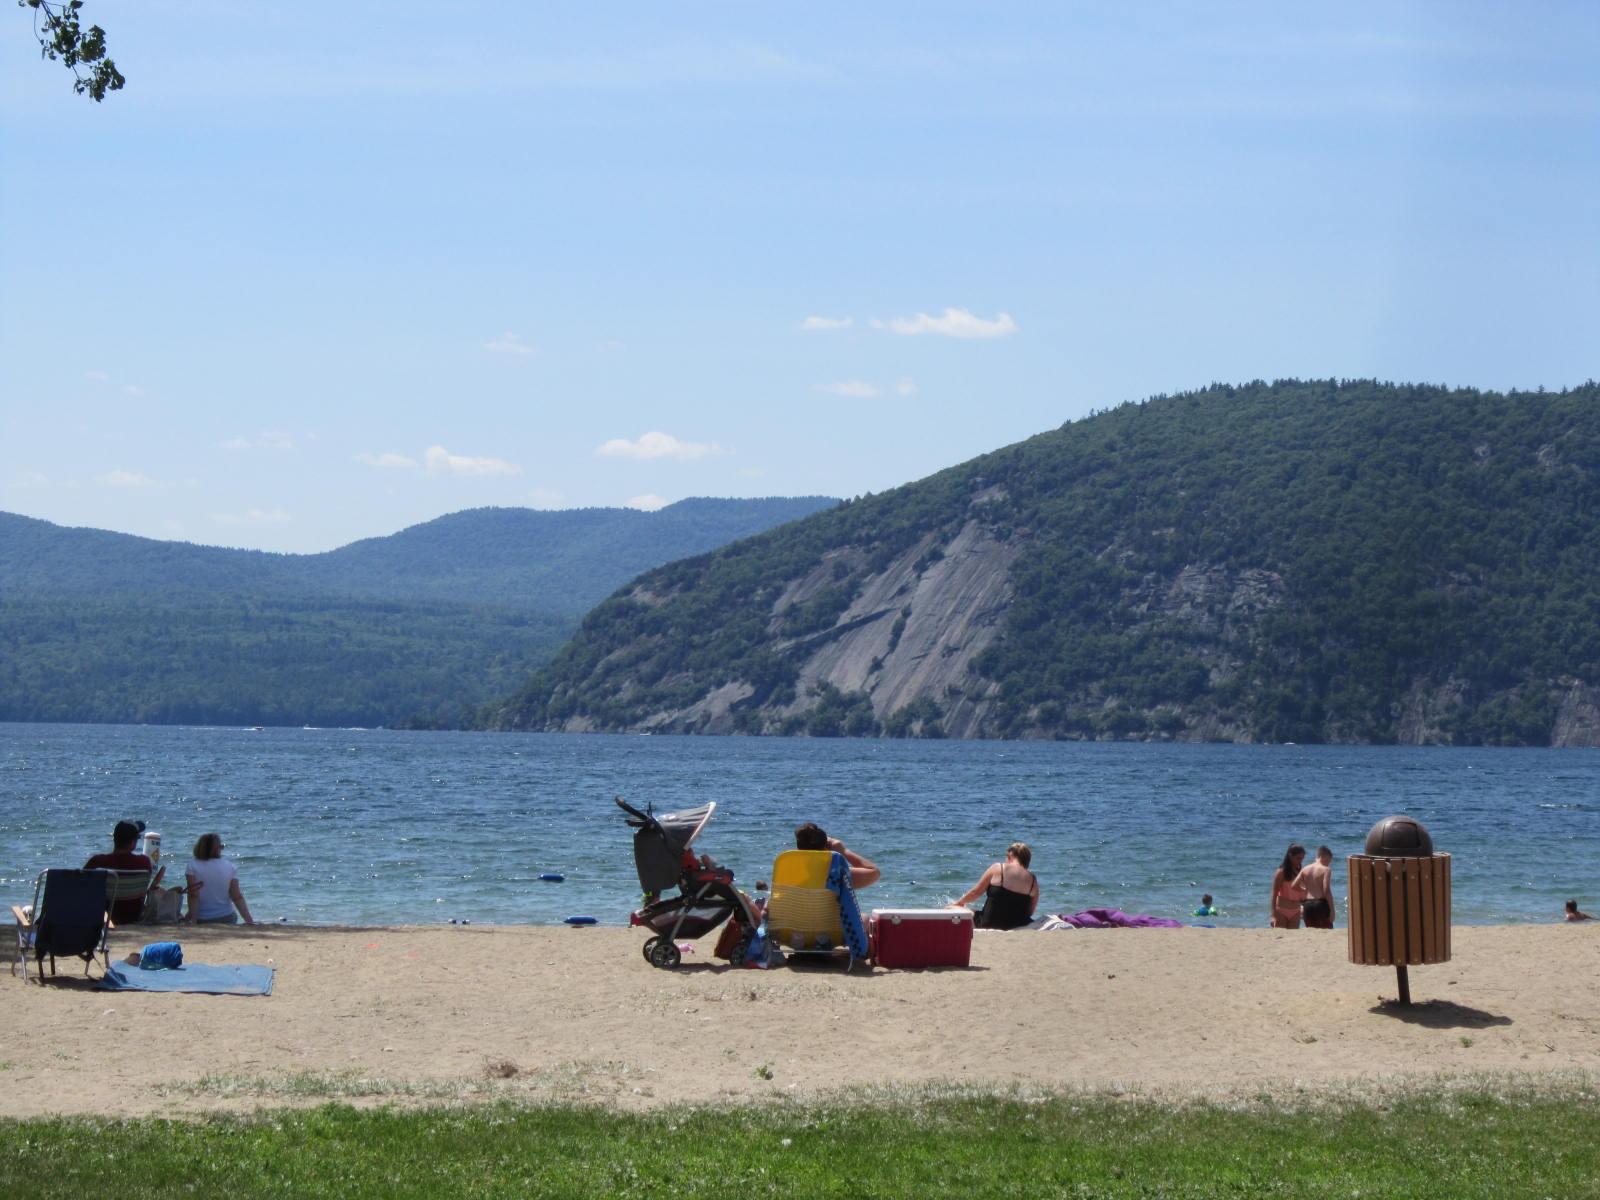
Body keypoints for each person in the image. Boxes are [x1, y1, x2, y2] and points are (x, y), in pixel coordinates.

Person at [85, 819, 164, 926]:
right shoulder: (144, 863)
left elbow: (81, 884)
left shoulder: (97, 862)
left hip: (105, 916)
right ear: (132, 842)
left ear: (114, 839)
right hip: (134, 916)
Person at [949, 842, 1038, 929]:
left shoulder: (998, 868)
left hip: (989, 923)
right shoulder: (1033, 880)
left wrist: (959, 903)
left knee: (951, 908)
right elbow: (1030, 912)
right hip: (1018, 924)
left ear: (1010, 855)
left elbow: (975, 893)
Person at [184, 832, 254, 925]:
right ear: (217, 848)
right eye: (221, 846)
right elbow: (236, 896)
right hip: (227, 917)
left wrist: (193, 920)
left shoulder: (192, 865)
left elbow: (194, 895)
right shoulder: (230, 866)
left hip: (202, 918)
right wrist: (249, 921)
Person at [794, 822, 880, 889]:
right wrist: (844, 851)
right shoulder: (836, 875)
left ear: (799, 848)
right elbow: (875, 872)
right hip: (827, 912)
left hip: (799, 911)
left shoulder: (787, 872)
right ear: (826, 847)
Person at [1296, 846, 1336, 929]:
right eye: (1328, 860)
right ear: (1322, 856)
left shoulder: (1305, 869)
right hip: (1320, 905)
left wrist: (1305, 890)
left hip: (1307, 905)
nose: (1328, 863)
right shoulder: (1326, 869)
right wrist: (1332, 910)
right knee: (1326, 931)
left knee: (1311, 930)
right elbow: (1326, 890)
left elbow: (1294, 885)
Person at [1269, 843, 1307, 929]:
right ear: (1290, 856)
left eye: (1302, 859)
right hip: (1281, 910)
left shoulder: (1300, 872)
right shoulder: (1281, 872)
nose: (1300, 861)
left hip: (1296, 911)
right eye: (1298, 858)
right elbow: (1274, 894)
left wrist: (1303, 907)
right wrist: (1273, 915)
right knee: (1280, 939)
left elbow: (1302, 893)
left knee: (1292, 940)